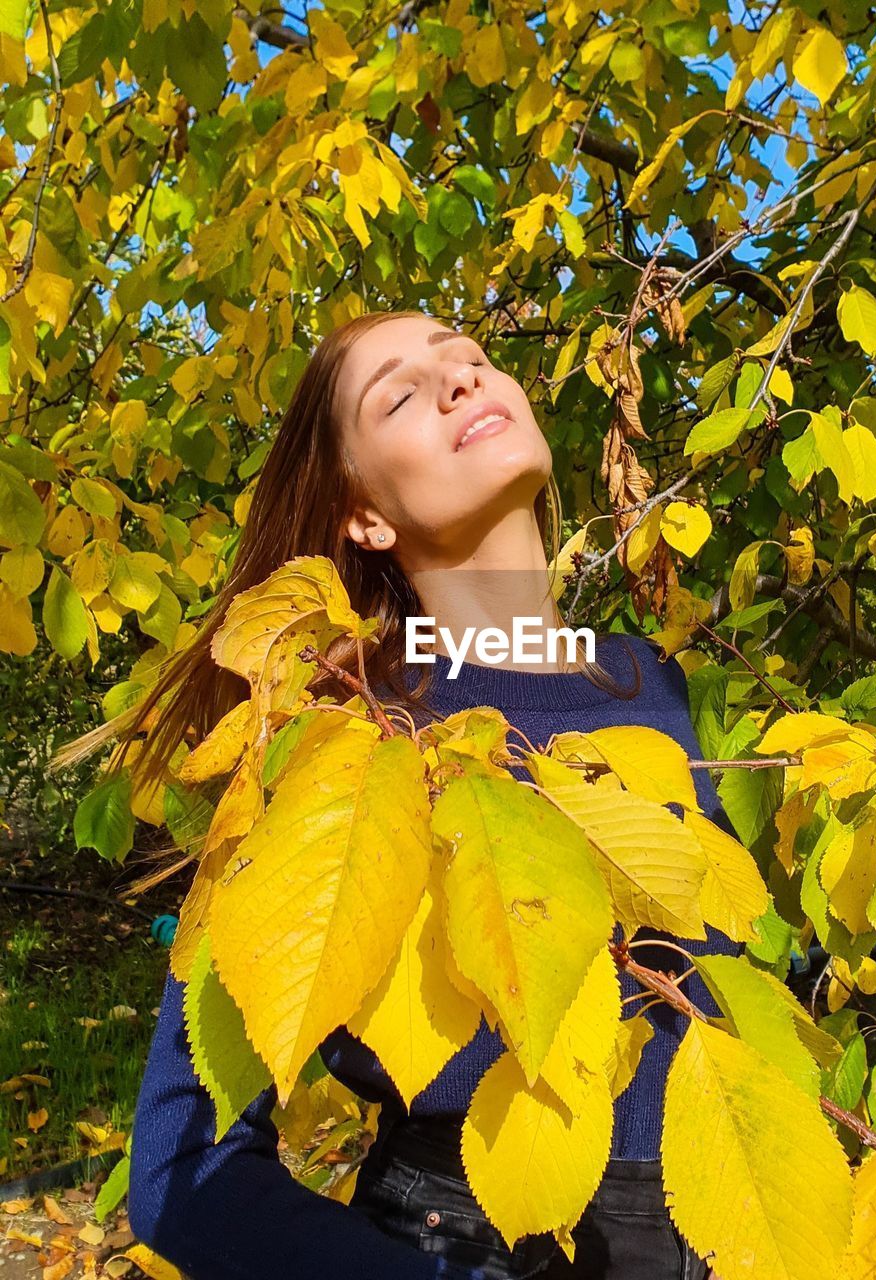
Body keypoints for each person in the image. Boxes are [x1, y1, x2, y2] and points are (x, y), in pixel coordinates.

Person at [123, 310, 742, 1278]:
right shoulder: (336, 733)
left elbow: (717, 994)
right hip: (459, 1240)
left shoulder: (648, 681)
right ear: (363, 513)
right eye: (401, 392)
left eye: (474, 359)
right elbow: (178, 1165)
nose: (460, 379)